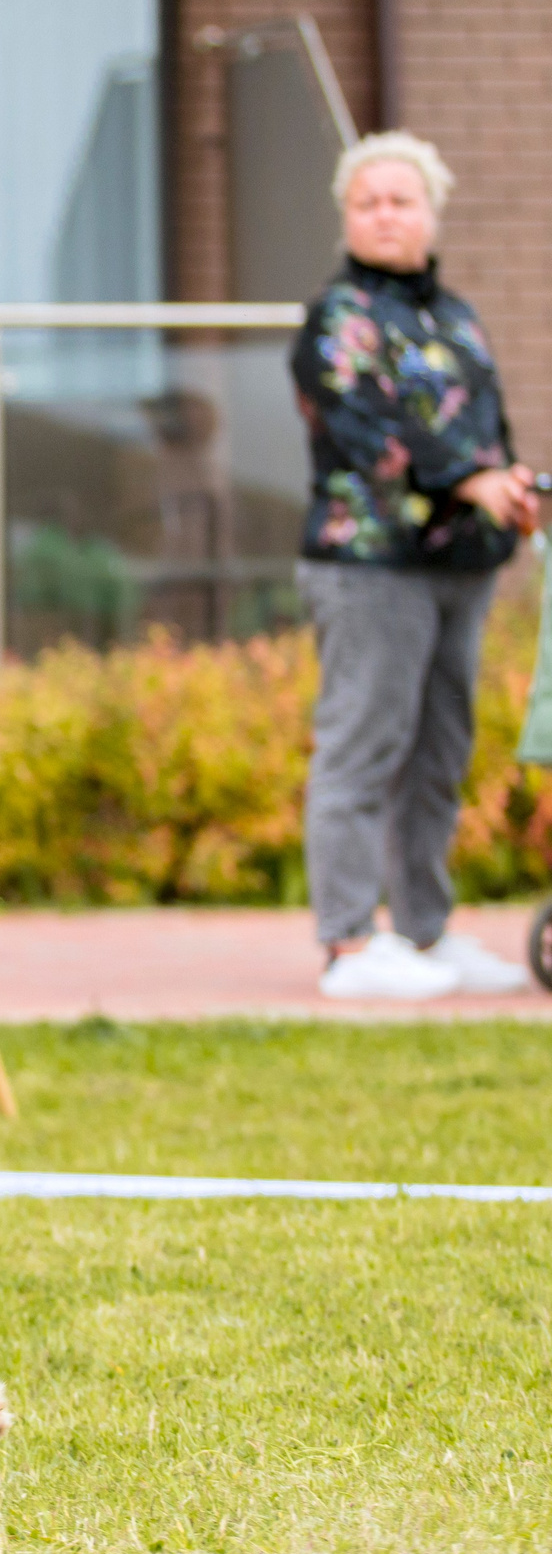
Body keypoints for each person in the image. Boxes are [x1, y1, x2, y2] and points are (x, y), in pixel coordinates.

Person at [292, 130, 535, 1001]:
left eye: (401, 200)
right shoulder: (337, 320)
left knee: (439, 753)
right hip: (369, 566)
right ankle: (350, 947)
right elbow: (368, 433)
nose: (385, 215)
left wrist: (507, 486)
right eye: (368, 202)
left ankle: (424, 935)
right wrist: (466, 478)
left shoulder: (456, 317)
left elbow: (483, 430)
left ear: (431, 213)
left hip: (459, 567)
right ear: (348, 217)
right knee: (364, 745)